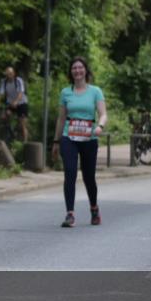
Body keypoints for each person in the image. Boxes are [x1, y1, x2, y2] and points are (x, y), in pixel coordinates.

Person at [51, 56, 108, 228]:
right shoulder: (65, 92)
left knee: (88, 176)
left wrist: (100, 126)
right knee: (69, 172)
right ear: (71, 72)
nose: (77, 71)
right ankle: (70, 214)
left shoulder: (95, 91)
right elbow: (61, 119)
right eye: (74, 68)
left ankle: (94, 208)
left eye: (80, 67)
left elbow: (103, 113)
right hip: (69, 137)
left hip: (89, 138)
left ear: (85, 70)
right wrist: (56, 141)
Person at [0, 66, 29, 142]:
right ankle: (8, 132)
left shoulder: (18, 80)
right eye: (7, 74)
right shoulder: (4, 82)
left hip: (22, 103)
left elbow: (20, 93)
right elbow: (0, 93)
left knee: (22, 124)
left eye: (10, 74)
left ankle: (25, 143)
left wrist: (16, 102)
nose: (8, 76)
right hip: (10, 103)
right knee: (4, 115)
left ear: (13, 74)